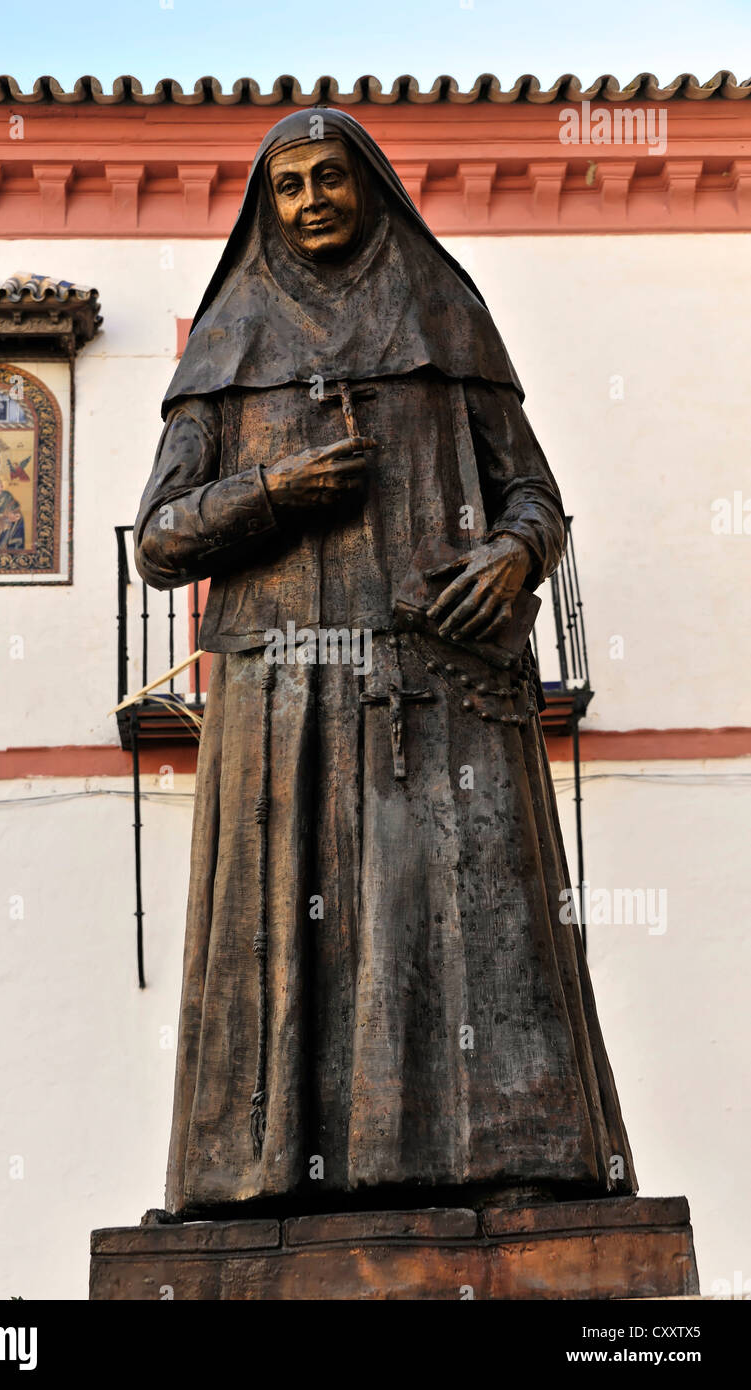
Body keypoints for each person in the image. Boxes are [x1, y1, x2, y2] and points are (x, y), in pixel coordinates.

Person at [135, 108, 636, 1217]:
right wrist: (275, 492)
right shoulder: (227, 342)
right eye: (290, 186)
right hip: (280, 694)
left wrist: (514, 557)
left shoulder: (446, 314)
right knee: (285, 950)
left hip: (443, 684)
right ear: (266, 209)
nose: (312, 200)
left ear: (371, 186)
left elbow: (532, 494)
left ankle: (510, 1164)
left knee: (466, 934)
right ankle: (257, 1180)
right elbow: (162, 538)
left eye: (331, 178)